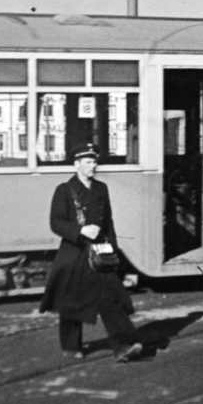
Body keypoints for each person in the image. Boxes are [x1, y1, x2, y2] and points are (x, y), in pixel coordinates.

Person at [37, 144, 143, 363]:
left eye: (94, 162)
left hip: (98, 252)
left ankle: (123, 346)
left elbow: (108, 222)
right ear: (76, 164)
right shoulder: (64, 190)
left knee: (110, 298)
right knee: (70, 301)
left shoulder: (101, 188)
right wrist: (81, 230)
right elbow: (56, 222)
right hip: (74, 252)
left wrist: (112, 248)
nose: (93, 166)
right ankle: (70, 346)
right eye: (88, 162)